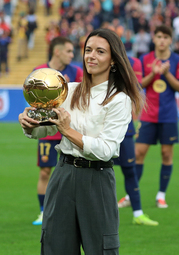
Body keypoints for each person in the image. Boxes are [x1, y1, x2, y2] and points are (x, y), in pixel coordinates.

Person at [19, 28, 144, 254]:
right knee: (55, 247)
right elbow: (43, 131)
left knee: (101, 249)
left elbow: (106, 150)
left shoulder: (119, 99)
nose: (91, 56)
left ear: (113, 59)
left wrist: (67, 130)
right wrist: (29, 123)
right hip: (63, 176)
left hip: (97, 180)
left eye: (100, 51)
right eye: (88, 50)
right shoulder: (69, 91)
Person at [129, 25, 179, 208]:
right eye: (159, 36)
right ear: (154, 39)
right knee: (138, 153)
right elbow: (138, 86)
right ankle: (132, 195)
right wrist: (154, 73)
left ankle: (161, 194)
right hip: (148, 115)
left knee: (166, 154)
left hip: (168, 115)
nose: (162, 40)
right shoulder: (145, 59)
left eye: (165, 37)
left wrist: (167, 73)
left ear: (170, 40)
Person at [32, 36, 83, 226]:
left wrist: (68, 89)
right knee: (45, 172)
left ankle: (71, 212)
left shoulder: (76, 72)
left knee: (72, 173)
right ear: (57, 51)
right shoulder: (39, 72)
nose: (72, 55)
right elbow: (34, 101)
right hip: (47, 129)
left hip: (69, 129)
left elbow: (81, 100)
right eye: (69, 51)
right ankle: (43, 212)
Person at [115, 56, 158, 226]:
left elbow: (135, 89)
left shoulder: (133, 62)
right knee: (99, 172)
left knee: (130, 171)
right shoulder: (97, 61)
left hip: (125, 127)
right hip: (101, 128)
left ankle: (138, 213)